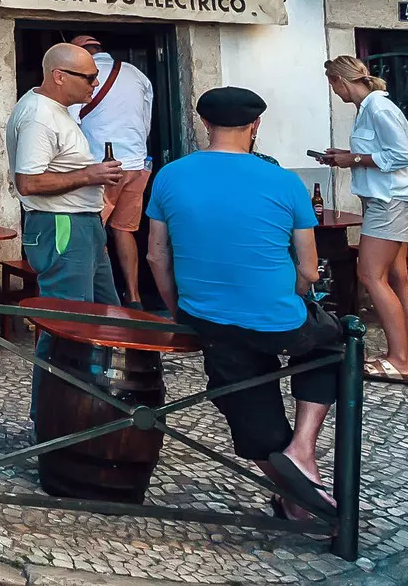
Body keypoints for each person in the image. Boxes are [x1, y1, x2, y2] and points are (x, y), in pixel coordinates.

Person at [146, 87, 344, 520]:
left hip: (208, 317)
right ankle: (303, 450)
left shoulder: (169, 176)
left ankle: (294, 490)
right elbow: (309, 270)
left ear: (204, 125)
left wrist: (179, 308)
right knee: (333, 342)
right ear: (256, 126)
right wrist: (286, 296)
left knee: (245, 397)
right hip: (279, 318)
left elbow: (156, 256)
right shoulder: (284, 182)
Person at [317, 55, 408, 384]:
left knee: (370, 275)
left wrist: (356, 158)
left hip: (388, 202)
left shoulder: (377, 108)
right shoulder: (372, 108)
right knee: (395, 277)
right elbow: (382, 153)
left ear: (343, 81)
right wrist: (348, 158)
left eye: (333, 85)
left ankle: (399, 360)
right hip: (393, 200)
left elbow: (404, 154)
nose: (335, 93)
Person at [9, 41, 125, 304]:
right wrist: (90, 175)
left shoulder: (54, 110)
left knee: (105, 314)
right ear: (59, 76)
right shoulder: (39, 116)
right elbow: (27, 182)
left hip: (80, 223)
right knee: (73, 318)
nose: (95, 84)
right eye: (90, 77)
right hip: (62, 224)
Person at [70, 34, 155, 306]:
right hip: (137, 163)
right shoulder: (136, 73)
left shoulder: (81, 76)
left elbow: (71, 124)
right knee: (124, 230)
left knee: (95, 229)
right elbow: (146, 119)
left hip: (101, 168)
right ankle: (134, 297)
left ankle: (101, 298)